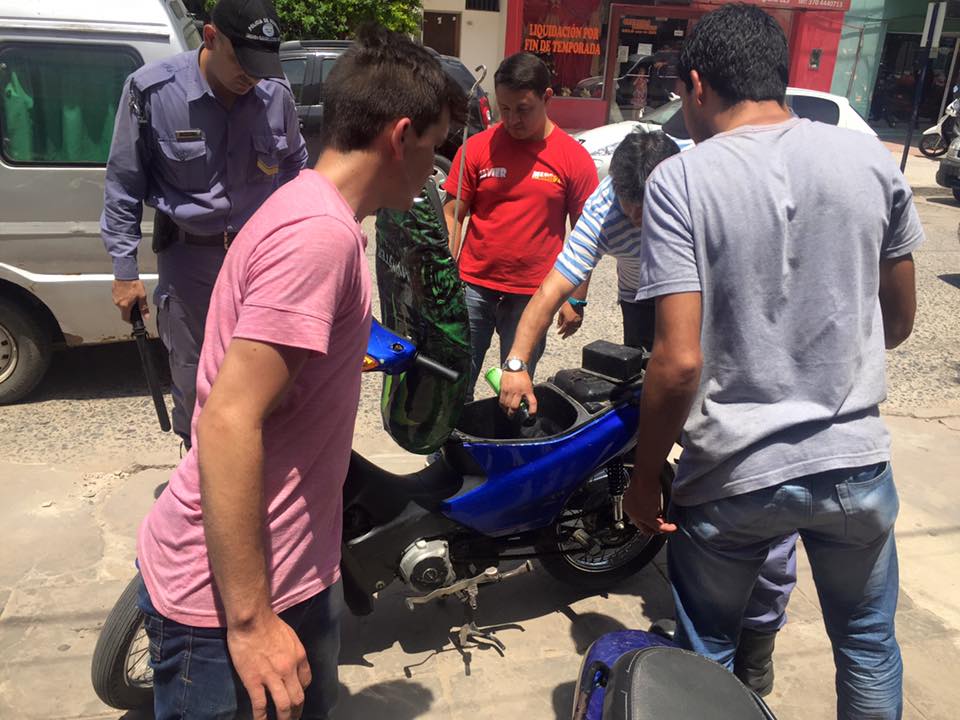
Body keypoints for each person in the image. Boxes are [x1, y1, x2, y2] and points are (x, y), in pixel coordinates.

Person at [134, 26, 466, 720]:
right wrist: (252, 621)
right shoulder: (320, 236)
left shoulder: (310, 209)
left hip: (292, 572)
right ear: (401, 136)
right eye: (436, 145)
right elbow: (228, 421)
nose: (437, 169)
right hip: (227, 606)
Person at [622, 6, 921, 718]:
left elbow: (677, 362)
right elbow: (899, 321)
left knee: (707, 654)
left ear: (697, 85)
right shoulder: (871, 161)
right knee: (868, 644)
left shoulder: (681, 182)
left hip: (732, 475)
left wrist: (643, 477)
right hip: (854, 464)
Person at [498, 130, 796, 696]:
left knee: (716, 441)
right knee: (651, 398)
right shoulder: (605, 206)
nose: (640, 220)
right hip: (643, 295)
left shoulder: (709, 192)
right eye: (632, 210)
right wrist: (515, 361)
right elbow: (552, 288)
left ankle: (746, 645)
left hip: (710, 299)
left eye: (650, 209)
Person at [101, 0, 308, 448]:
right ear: (211, 37)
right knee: (195, 379)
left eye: (261, 65)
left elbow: (295, 164)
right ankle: (196, 475)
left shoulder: (275, 94)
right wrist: (124, 270)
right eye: (243, 61)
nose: (252, 76)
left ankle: (254, 471)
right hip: (190, 264)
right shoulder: (153, 92)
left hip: (260, 262)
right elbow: (123, 184)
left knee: (264, 375)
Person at [442, 52, 598, 396]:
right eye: (504, 109)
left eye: (523, 109)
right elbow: (453, 213)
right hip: (473, 287)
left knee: (514, 386)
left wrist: (576, 298)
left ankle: (505, 432)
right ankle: (454, 433)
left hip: (533, 295)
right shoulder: (478, 148)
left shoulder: (573, 158)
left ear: (547, 97)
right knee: (455, 382)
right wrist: (446, 275)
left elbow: (586, 235)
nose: (512, 119)